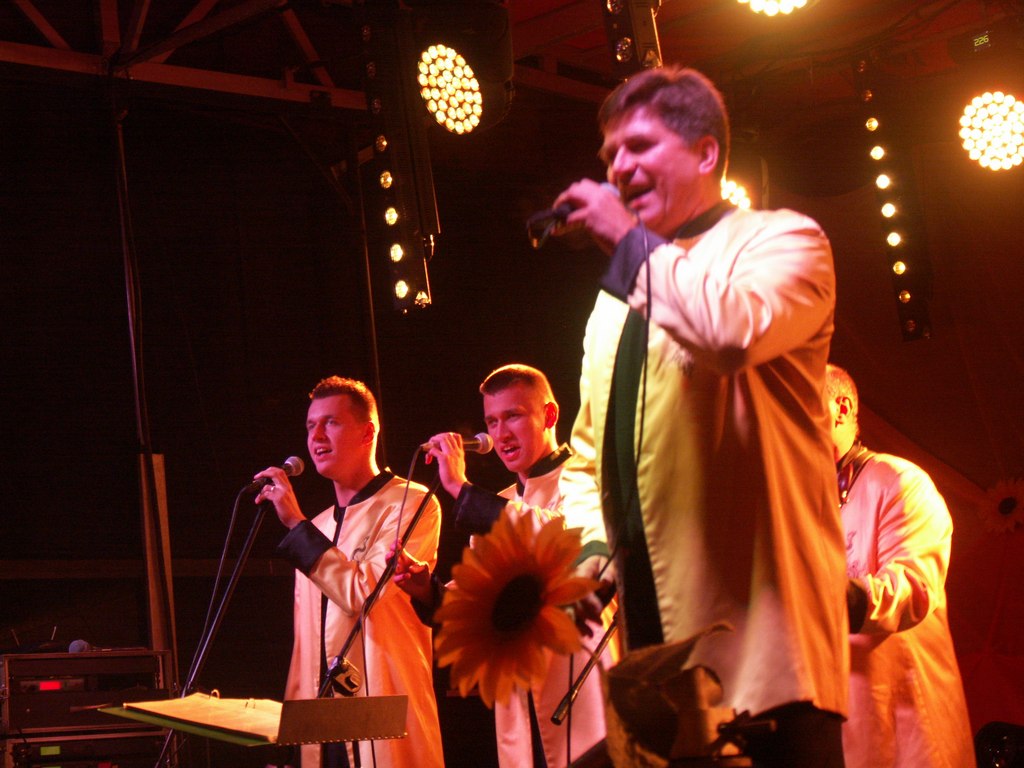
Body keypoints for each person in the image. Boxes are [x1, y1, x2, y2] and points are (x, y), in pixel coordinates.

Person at [549, 66, 849, 766]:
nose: (619, 168)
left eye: (640, 146)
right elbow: (588, 455)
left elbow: (731, 334)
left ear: (707, 153)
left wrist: (627, 243)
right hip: (656, 665)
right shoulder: (614, 302)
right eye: (610, 155)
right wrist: (590, 552)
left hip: (765, 659)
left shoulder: (784, 240)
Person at [392, 364, 611, 768]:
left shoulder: (585, 479)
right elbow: (483, 607)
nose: (501, 433)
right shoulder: (500, 502)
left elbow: (564, 542)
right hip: (517, 699)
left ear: (549, 415)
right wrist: (428, 589)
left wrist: (461, 489)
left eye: (513, 416)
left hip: (578, 683)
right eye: (492, 421)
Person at [254, 376, 444, 768]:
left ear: (368, 432)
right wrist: (291, 734)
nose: (317, 435)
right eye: (311, 425)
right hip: (321, 723)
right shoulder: (318, 525)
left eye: (331, 422)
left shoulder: (410, 503)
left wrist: (296, 525)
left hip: (380, 712)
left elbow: (363, 595)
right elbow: (304, 645)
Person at [825, 364, 975, 768]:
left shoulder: (899, 480)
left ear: (841, 409)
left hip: (909, 727)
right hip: (844, 725)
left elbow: (914, 589)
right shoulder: (804, 504)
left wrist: (813, 595)